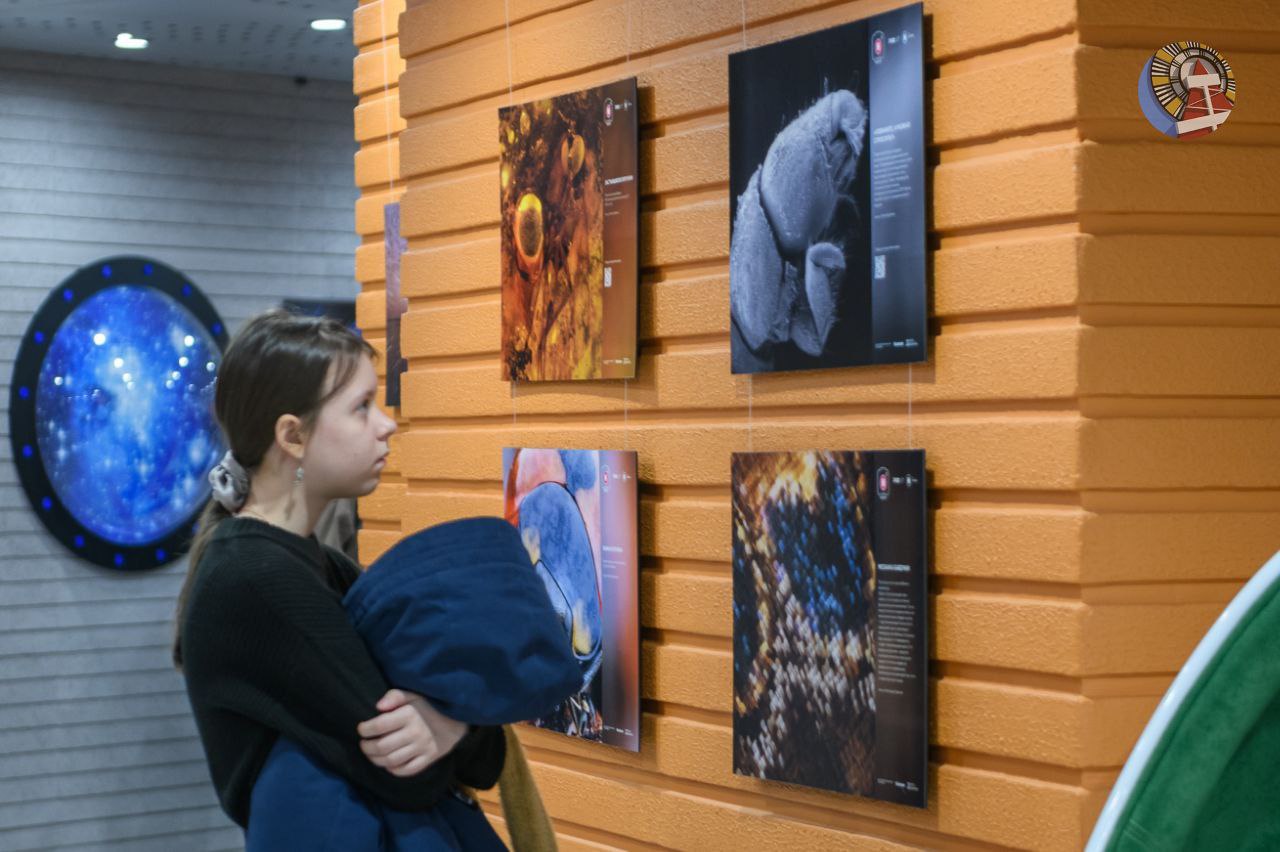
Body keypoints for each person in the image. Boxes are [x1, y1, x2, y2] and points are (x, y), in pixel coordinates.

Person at [171, 309, 507, 843]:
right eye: (361, 408)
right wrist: (453, 722)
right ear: (293, 436)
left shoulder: (320, 566)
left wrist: (450, 726)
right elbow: (413, 775)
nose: (387, 423)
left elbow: (484, 757)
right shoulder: (256, 578)